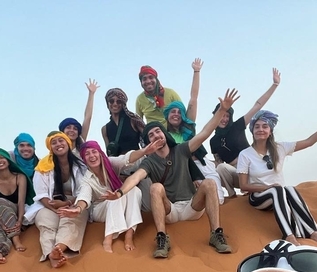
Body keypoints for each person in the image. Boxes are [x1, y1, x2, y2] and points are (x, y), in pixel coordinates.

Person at [103, 89, 240, 258]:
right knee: (156, 187)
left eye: (158, 131)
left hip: (192, 206)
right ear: (148, 142)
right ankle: (162, 238)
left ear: (164, 133)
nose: (155, 135)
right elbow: (135, 176)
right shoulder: (149, 161)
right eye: (151, 135)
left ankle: (216, 234)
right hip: (170, 211)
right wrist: (119, 192)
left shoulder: (181, 150)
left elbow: (205, 133)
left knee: (209, 183)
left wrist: (222, 110)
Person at [238, 103, 317, 246]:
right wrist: (266, 188)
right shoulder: (245, 155)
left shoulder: (280, 148)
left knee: (289, 189)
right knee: (278, 190)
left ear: (270, 131)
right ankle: (289, 235)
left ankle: (312, 232)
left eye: (265, 126)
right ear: (252, 130)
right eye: (257, 126)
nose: (261, 129)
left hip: (281, 197)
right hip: (258, 197)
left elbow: (310, 141)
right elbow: (243, 186)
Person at [59, 140, 148, 253]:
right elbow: (84, 196)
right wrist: (78, 208)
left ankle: (129, 235)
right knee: (113, 197)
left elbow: (126, 159)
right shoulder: (86, 179)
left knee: (134, 190)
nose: (92, 156)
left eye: (94, 152)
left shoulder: (110, 163)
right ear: (84, 159)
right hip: (100, 210)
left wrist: (145, 150)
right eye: (87, 154)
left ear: (100, 153)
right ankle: (108, 238)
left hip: (118, 204)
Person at [211, 68, 281, 198]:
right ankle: (232, 197)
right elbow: (219, 163)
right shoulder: (213, 140)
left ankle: (254, 190)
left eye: (227, 116)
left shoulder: (237, 126)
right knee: (219, 168)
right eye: (221, 115)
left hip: (253, 169)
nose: (224, 119)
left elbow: (257, 106)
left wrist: (274, 85)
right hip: (236, 174)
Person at [163, 58, 224, 204]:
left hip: (202, 164)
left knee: (218, 200)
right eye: (172, 112)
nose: (176, 114)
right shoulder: (164, 135)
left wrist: (196, 71)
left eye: (179, 112)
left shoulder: (188, 127)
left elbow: (193, 99)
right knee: (194, 204)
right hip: (183, 171)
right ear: (167, 116)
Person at [27, 131, 88, 268]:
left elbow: (84, 189)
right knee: (47, 224)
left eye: (61, 141)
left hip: (74, 202)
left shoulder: (81, 165)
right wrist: (56, 208)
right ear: (50, 147)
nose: (58, 144)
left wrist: (67, 204)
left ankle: (59, 248)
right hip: (48, 204)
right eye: (53, 142)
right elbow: (41, 195)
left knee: (71, 219)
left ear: (68, 142)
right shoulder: (42, 167)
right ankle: (51, 255)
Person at [0, 148, 34, 264]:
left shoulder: (20, 177)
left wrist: (20, 220)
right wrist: (2, 224)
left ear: (8, 160)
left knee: (1, 202)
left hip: (17, 213)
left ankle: (16, 240)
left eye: (2, 157)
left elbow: (21, 202)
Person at [58, 79, 99, 154]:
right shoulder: (58, 150)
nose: (72, 130)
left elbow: (87, 117)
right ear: (62, 131)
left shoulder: (80, 147)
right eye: (68, 127)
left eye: (75, 128)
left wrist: (91, 94)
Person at [101, 88, 145, 156]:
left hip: (136, 160)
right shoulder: (105, 129)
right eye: (111, 101)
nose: (115, 104)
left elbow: (147, 137)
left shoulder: (133, 119)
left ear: (123, 104)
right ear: (107, 103)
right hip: (117, 164)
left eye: (119, 101)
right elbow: (109, 153)